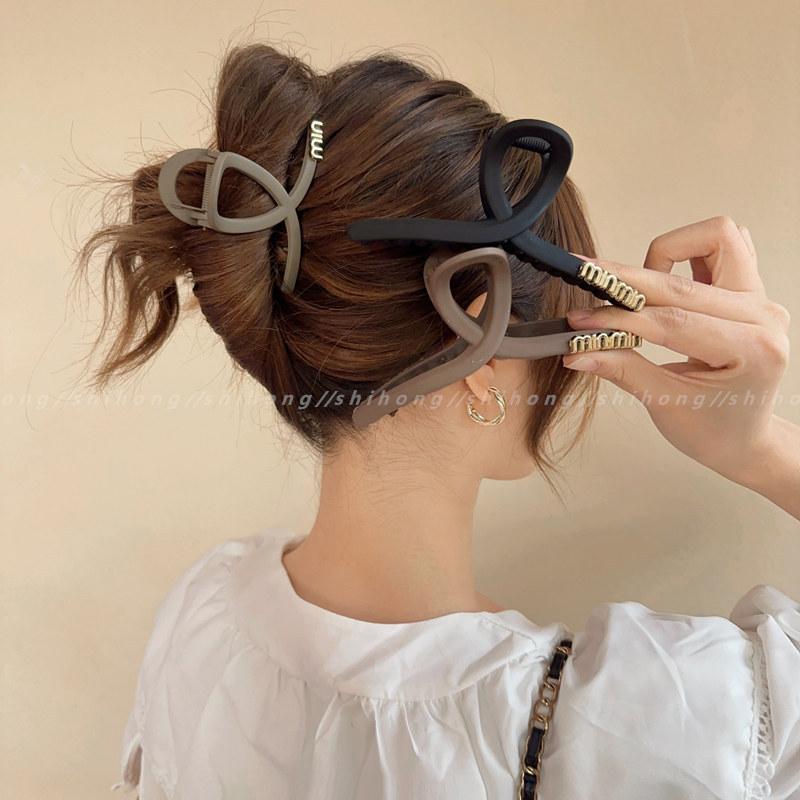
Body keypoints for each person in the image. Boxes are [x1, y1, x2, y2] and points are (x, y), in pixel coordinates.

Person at [75, 43, 799, 800]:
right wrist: (759, 448)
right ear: (478, 342)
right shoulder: (645, 730)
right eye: (565, 320)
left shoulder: (203, 617)